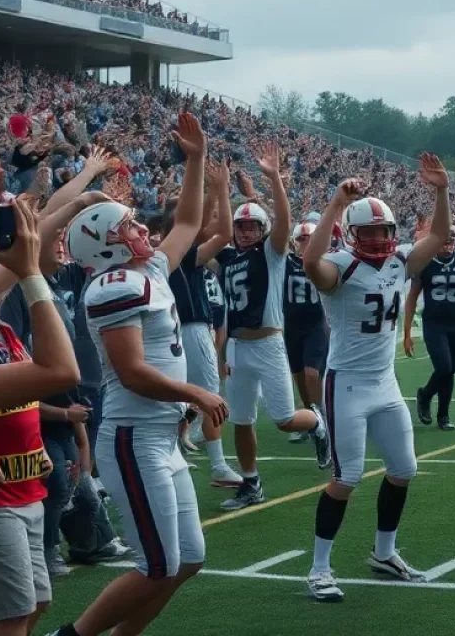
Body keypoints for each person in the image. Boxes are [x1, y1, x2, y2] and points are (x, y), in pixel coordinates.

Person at [48, 112, 230, 636]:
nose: (141, 229)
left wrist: (194, 160)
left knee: (188, 557)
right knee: (157, 564)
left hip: (159, 437)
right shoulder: (110, 287)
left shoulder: (143, 271)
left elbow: (190, 224)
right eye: (126, 225)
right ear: (104, 242)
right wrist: (193, 390)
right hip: (133, 437)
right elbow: (131, 372)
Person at [301, 154, 452, 602]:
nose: (379, 239)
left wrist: (441, 191)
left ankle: (384, 553)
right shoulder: (340, 266)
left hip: (384, 382)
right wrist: (333, 204)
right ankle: (318, 568)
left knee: (404, 469)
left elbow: (440, 236)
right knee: (346, 477)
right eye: (368, 231)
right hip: (345, 382)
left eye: (384, 231)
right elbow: (311, 265)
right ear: (351, 233)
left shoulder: (399, 261)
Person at [0, 194, 80, 636]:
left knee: (25, 603)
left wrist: (37, 446)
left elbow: (19, 403)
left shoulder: (6, 333)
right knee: (14, 610)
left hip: (23, 485)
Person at [217, 143, 330, 510]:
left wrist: (273, 181)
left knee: (284, 419)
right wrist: (219, 189)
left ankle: (316, 423)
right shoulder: (229, 257)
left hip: (268, 343)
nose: (245, 232)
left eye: (252, 227)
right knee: (242, 419)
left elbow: (283, 220)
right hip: (237, 345)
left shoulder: (272, 253)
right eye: (241, 226)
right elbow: (214, 230)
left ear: (262, 230)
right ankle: (251, 483)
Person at [162, 160, 240, 488]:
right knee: (211, 397)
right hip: (192, 329)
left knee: (178, 397)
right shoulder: (181, 255)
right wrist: (221, 189)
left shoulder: (164, 253)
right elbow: (222, 232)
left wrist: (214, 192)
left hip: (176, 331)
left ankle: (172, 453)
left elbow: (205, 222)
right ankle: (219, 465)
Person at [403, 225, 455, 430]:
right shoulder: (426, 263)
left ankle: (443, 415)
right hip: (434, 324)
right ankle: (425, 395)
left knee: (451, 370)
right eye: (445, 240)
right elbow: (411, 299)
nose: (448, 245)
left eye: (452, 240)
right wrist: (407, 332)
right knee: (444, 367)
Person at [283, 222, 328, 443]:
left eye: (309, 238)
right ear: (294, 242)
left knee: (312, 374)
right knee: (299, 375)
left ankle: (322, 419)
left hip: (315, 324)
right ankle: (309, 417)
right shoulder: (285, 262)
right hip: (291, 325)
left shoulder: (324, 261)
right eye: (301, 239)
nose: (306, 242)